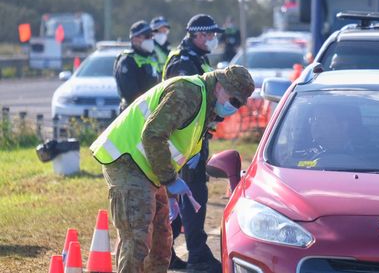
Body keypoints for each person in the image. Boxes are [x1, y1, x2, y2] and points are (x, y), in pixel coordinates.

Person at [89, 65, 255, 273]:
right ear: (220, 86)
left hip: (149, 170)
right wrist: (169, 180)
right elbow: (153, 135)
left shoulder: (205, 104)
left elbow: (173, 147)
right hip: (127, 163)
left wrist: (169, 192)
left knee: (161, 244)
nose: (234, 107)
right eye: (234, 100)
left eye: (239, 104)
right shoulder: (188, 93)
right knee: (137, 239)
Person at [163, 13, 226, 273]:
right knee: (191, 194)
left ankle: (166, 252)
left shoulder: (198, 59)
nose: (213, 40)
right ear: (198, 35)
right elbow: (185, 104)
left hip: (195, 138)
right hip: (184, 141)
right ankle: (196, 254)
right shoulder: (183, 62)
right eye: (210, 35)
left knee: (186, 195)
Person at [114, 20, 160, 112]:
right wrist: (147, 114)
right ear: (134, 39)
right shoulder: (127, 61)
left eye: (152, 36)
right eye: (147, 36)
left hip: (152, 111)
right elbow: (132, 94)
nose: (151, 39)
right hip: (134, 113)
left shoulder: (151, 58)